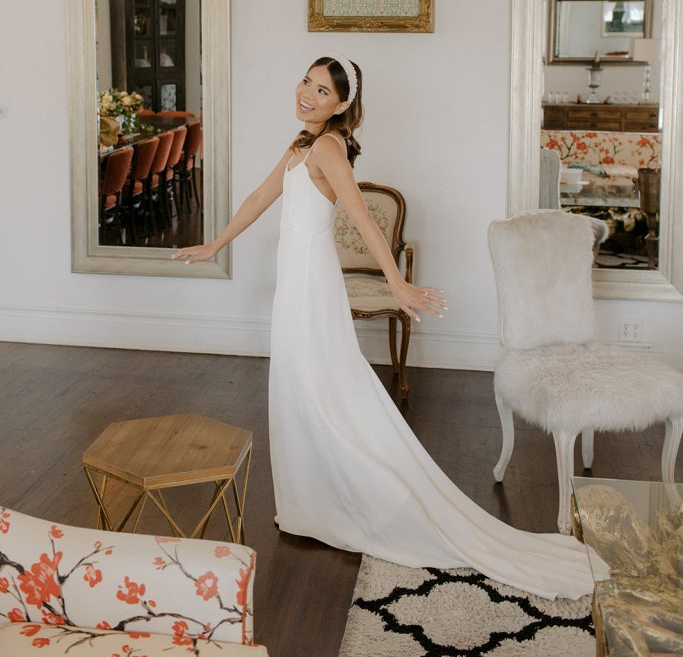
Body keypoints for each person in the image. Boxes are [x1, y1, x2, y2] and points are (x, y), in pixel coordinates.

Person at [173, 54, 593, 600]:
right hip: (296, 281)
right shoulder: (302, 143)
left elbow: (361, 216)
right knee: (302, 387)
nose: (307, 94)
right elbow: (259, 197)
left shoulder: (327, 147)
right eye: (306, 81)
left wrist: (396, 282)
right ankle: (310, 503)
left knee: (317, 387)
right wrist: (216, 244)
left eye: (322, 91)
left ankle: (345, 498)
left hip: (310, 282)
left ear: (342, 104)